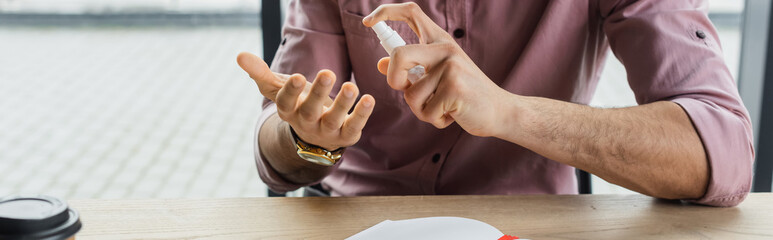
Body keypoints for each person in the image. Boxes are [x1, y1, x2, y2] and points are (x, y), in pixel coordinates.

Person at [236, 0, 754, 207]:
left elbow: (724, 150)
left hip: (531, 222)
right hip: (355, 217)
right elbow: (274, 157)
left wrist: (510, 112)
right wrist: (308, 139)